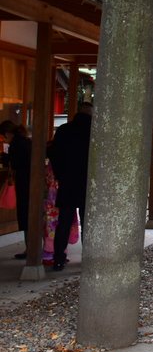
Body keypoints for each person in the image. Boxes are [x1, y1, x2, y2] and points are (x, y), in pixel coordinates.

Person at [49, 101, 92, 272]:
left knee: (64, 222)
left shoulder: (64, 130)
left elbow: (53, 153)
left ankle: (58, 258)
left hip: (68, 181)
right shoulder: (94, 131)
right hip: (87, 182)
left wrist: (60, 175)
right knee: (87, 222)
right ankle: (88, 258)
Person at [2, 120, 32, 259]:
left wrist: (6, 156)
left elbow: (13, 163)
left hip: (23, 183)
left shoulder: (15, 144)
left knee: (25, 216)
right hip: (31, 183)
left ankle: (29, 249)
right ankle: (33, 247)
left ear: (8, 133)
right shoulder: (26, 141)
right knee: (31, 216)